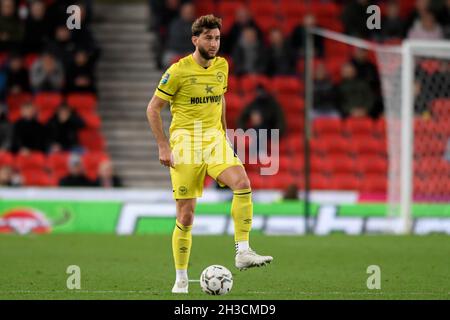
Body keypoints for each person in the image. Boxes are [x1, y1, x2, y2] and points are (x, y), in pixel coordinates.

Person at [146, 14, 273, 294]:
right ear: (195, 40)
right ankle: (181, 277)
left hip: (214, 139)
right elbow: (153, 108)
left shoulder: (223, 66)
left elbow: (221, 99)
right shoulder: (178, 71)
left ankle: (243, 251)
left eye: (217, 38)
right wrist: (163, 145)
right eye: (208, 38)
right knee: (186, 216)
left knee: (242, 183)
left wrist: (226, 134)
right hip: (185, 143)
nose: (214, 43)